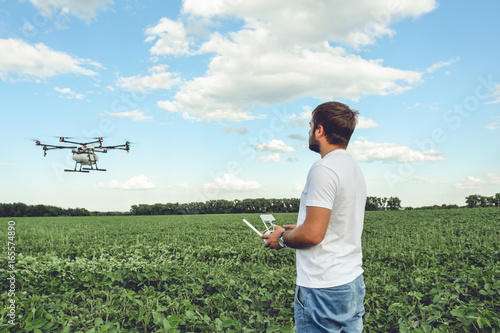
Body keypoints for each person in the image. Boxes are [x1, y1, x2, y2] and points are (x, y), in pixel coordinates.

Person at [262, 101, 366, 333]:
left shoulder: (323, 168)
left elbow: (312, 235)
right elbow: (332, 223)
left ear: (319, 130)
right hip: (351, 281)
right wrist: (301, 227)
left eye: (310, 126)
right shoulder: (352, 167)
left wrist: (281, 238)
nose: (309, 132)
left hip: (323, 287)